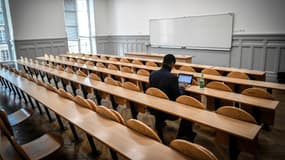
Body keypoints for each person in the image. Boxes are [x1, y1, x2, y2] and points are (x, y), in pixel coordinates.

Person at [149, 54, 196, 143]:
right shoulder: (173, 78)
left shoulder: (152, 74)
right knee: (189, 107)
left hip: (154, 107)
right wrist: (182, 88)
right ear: (172, 64)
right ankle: (183, 135)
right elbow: (178, 97)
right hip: (168, 111)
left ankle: (160, 123)